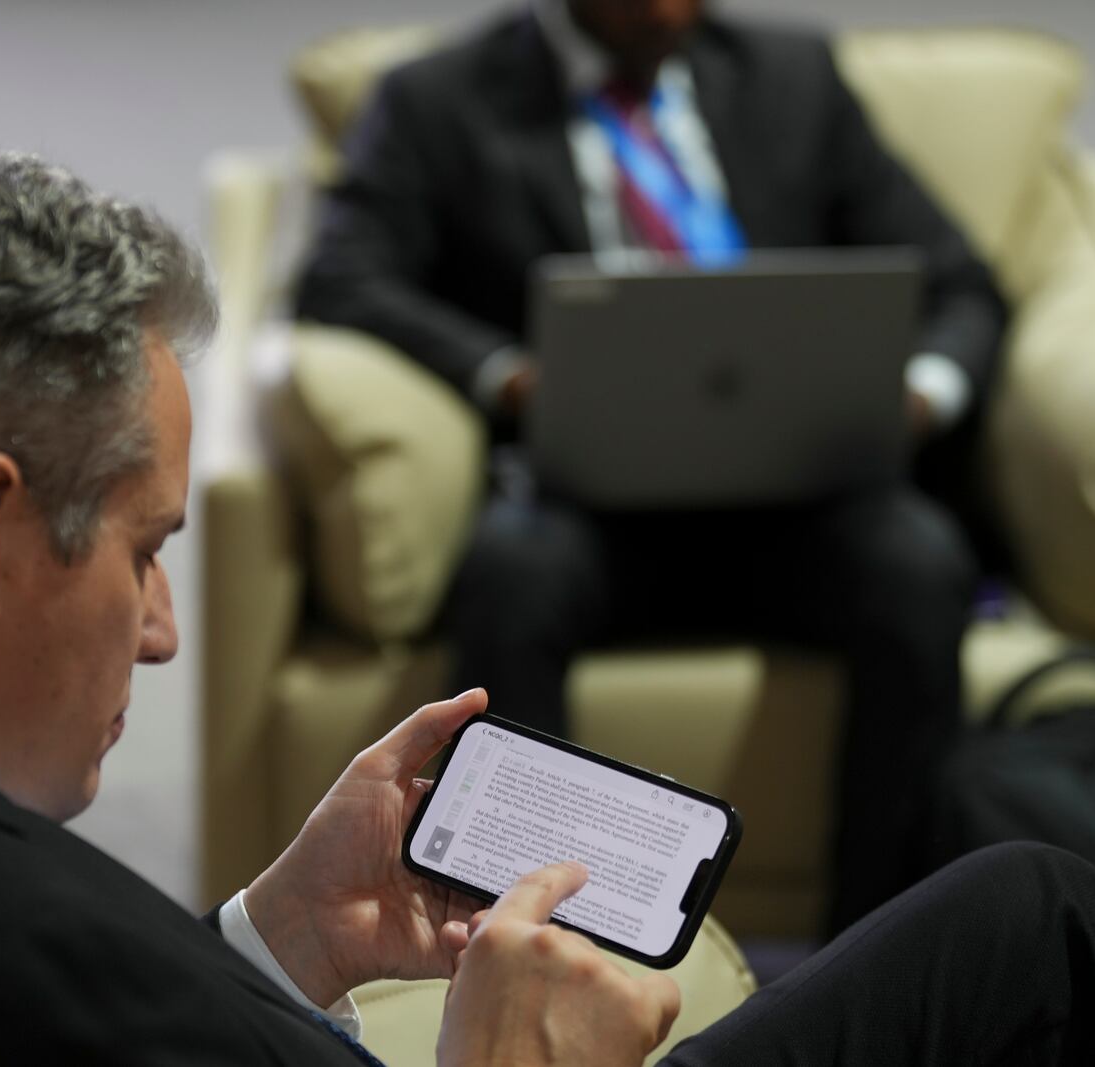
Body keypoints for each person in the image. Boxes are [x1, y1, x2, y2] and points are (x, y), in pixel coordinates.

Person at [0, 138, 1095, 1066]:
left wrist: (270, 940)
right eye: (145, 548)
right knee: (1035, 925)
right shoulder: (39, 952)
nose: (162, 627)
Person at [295, 0, 1010, 931]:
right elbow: (342, 276)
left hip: (799, 499)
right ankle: (519, 941)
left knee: (918, 565)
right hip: (588, 503)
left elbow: (962, 282)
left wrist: (917, 393)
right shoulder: (440, 101)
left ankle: (882, 944)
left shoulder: (795, 81)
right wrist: (510, 376)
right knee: (511, 579)